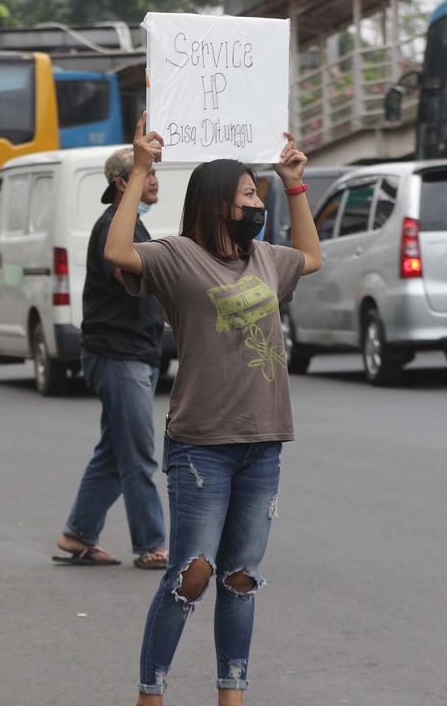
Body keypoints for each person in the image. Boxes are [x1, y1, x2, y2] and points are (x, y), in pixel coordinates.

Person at [103, 115, 320, 705]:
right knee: (190, 575)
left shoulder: (269, 261)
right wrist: (143, 167)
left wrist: (293, 183)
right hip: (202, 445)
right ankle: (152, 694)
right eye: (249, 194)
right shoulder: (177, 257)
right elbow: (119, 250)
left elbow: (311, 256)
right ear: (219, 202)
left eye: (258, 194)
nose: (257, 204)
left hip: (264, 442)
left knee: (241, 578)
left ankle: (233, 696)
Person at [52, 147, 168, 571]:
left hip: (135, 353)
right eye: (147, 173)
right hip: (119, 357)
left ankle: (78, 534)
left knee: (115, 451)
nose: (155, 180)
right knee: (138, 454)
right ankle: (152, 544)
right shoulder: (113, 229)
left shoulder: (133, 225)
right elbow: (134, 275)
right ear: (123, 182)